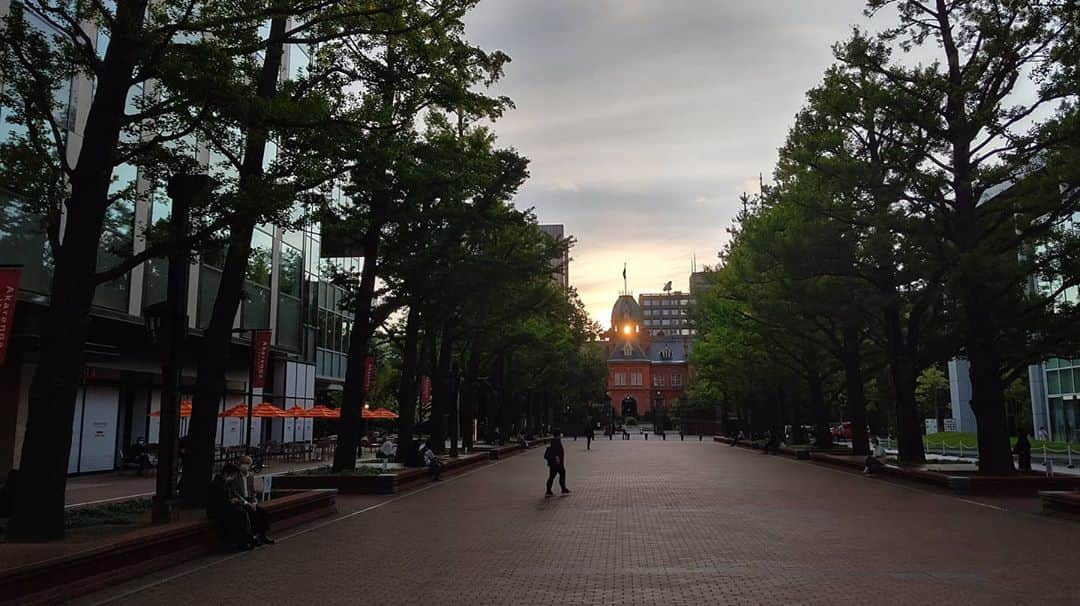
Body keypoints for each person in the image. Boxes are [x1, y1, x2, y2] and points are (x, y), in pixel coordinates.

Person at [207, 463, 256, 551]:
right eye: (232, 475)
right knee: (240, 514)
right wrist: (230, 501)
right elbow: (216, 501)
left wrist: (234, 501)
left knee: (243, 511)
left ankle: (247, 538)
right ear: (226, 474)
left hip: (225, 508)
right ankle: (241, 542)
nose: (233, 478)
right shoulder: (216, 484)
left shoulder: (225, 482)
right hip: (217, 510)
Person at [229, 455, 273, 545]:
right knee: (252, 513)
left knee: (263, 512)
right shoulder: (235, 478)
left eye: (247, 464)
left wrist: (254, 502)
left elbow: (252, 491)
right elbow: (235, 493)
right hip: (241, 501)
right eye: (243, 463)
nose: (245, 466)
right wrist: (246, 503)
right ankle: (253, 537)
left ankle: (263, 535)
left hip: (250, 500)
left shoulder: (250, 476)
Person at [543, 430, 570, 497]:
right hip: (557, 463)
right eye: (560, 434)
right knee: (559, 474)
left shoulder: (554, 440)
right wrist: (557, 458)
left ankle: (549, 490)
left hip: (554, 463)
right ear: (558, 435)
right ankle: (561, 489)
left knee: (553, 476)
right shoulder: (556, 441)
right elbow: (556, 451)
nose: (561, 435)